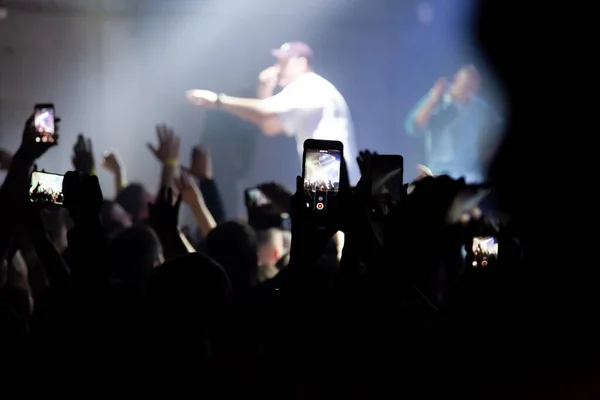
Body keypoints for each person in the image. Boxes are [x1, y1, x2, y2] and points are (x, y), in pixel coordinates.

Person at [186, 41, 360, 184]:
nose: (278, 68)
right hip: (328, 172)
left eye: (283, 62)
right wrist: (265, 90)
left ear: (301, 63)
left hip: (329, 174)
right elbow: (270, 126)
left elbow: (266, 114)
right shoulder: (312, 88)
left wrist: (217, 100)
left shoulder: (308, 85)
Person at [404, 65, 502, 183]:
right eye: (466, 84)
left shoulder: (480, 107)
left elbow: (498, 129)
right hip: (439, 172)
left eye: (473, 87)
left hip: (470, 176)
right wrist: (433, 98)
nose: (468, 90)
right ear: (456, 79)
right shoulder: (437, 99)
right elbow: (413, 127)